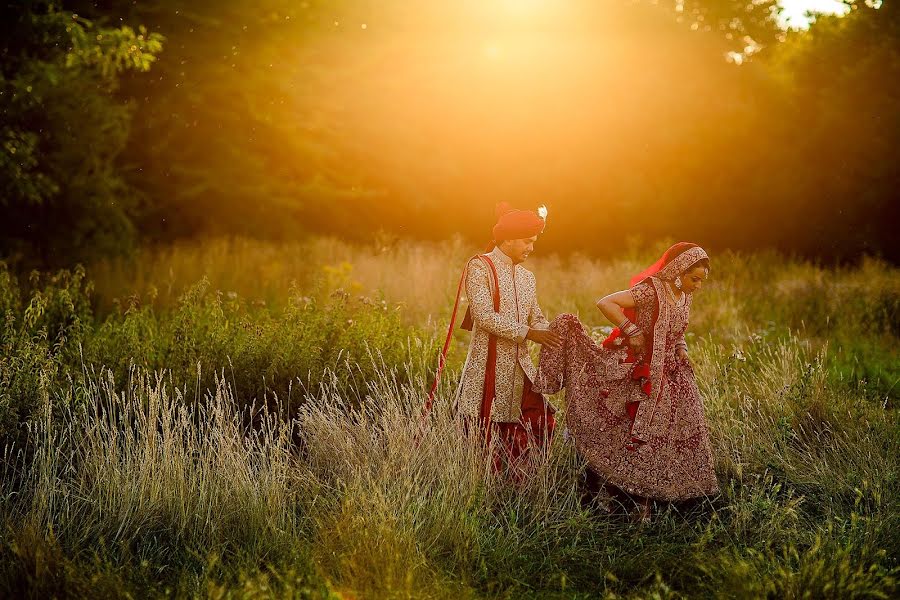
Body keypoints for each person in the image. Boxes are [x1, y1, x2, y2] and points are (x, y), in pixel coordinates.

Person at [535, 242, 719, 519]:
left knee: (673, 434)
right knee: (631, 432)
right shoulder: (651, 290)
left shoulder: (683, 296)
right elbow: (605, 302)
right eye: (695, 279)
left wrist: (682, 349)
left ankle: (669, 494)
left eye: (702, 281)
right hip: (639, 374)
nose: (698, 286)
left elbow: (679, 330)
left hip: (672, 378)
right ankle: (623, 498)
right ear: (679, 271)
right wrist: (631, 329)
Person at [427, 203, 561, 473]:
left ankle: (522, 492)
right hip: (487, 369)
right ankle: (481, 491)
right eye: (527, 241)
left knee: (538, 427)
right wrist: (529, 334)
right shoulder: (480, 266)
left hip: (521, 370)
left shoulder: (527, 277)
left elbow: (536, 316)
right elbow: (484, 316)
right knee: (484, 437)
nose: (531, 248)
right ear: (508, 239)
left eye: (534, 242)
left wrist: (554, 332)